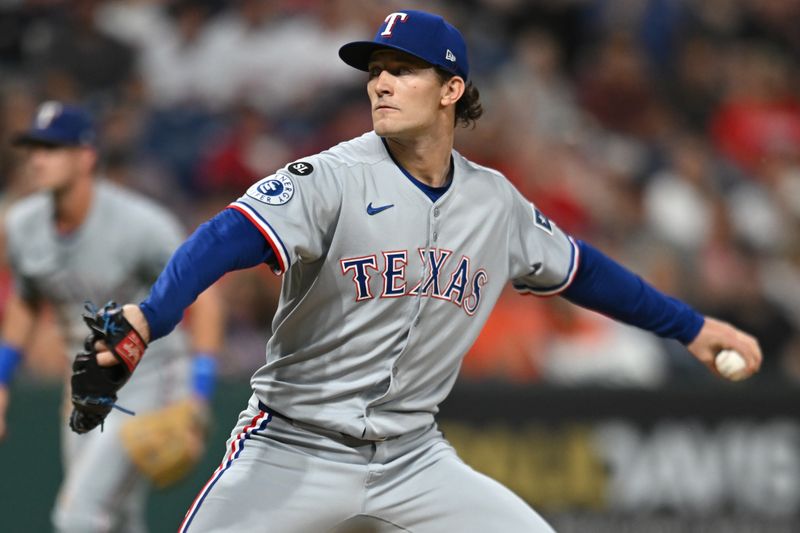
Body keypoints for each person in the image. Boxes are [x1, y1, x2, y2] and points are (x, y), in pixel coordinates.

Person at [88, 10, 761, 532]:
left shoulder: (495, 202)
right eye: (376, 68)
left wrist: (693, 327)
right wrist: (153, 315)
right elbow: (226, 234)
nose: (381, 81)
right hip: (293, 444)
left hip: (413, 456)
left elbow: (584, 271)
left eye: (404, 69)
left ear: (452, 89)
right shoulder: (332, 177)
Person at [0, 101, 224, 533]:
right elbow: (26, 302)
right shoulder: (24, 224)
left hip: (151, 377)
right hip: (84, 384)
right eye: (34, 148)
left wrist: (199, 390)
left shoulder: (140, 223)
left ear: (86, 157)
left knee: (78, 515)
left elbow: (206, 295)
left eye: (53, 148)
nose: (38, 159)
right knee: (117, 518)